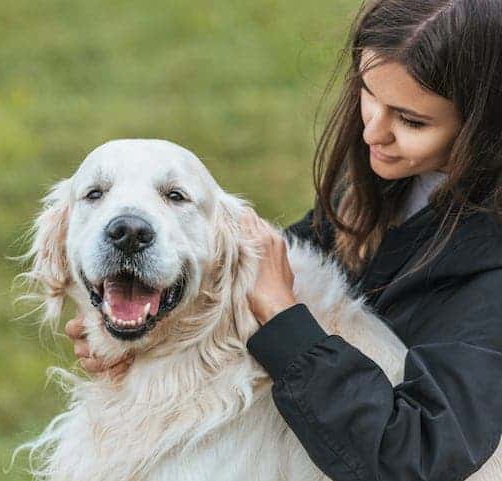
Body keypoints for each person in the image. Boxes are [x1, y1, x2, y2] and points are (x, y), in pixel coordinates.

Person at [64, 0, 502, 479]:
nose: (373, 130)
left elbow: (417, 456)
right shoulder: (385, 181)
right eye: (369, 93)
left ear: (486, 125)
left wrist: (285, 324)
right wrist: (143, 323)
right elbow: (285, 260)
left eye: (411, 121)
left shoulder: (492, 281)